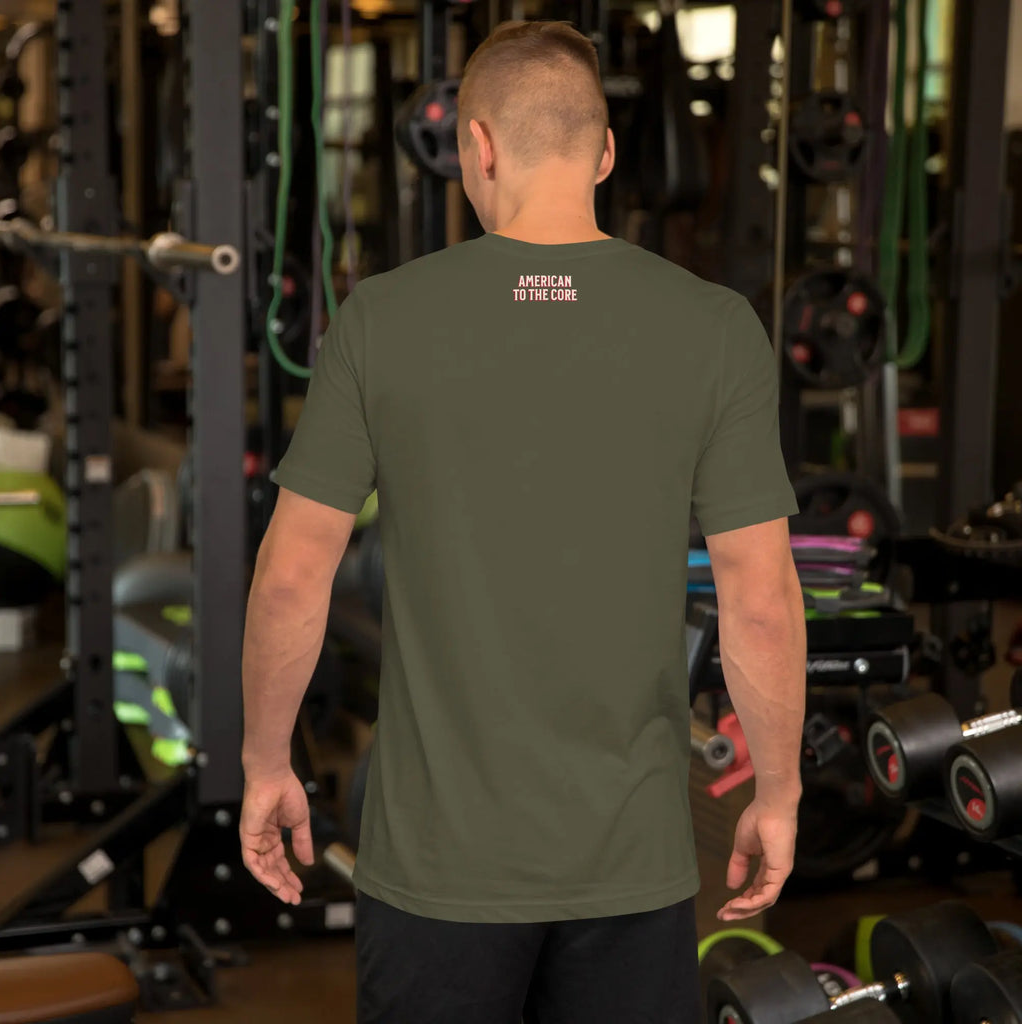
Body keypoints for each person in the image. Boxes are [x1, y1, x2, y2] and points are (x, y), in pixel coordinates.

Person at [239, 20, 806, 1024]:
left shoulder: (381, 317)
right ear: (606, 152)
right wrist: (780, 790)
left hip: (436, 868)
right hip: (631, 864)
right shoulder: (712, 327)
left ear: (476, 146)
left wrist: (266, 764)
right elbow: (757, 597)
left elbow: (291, 577)